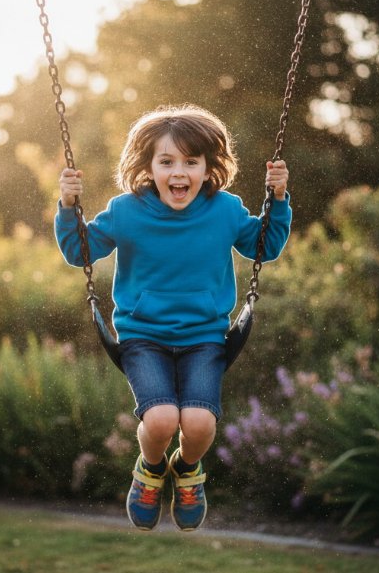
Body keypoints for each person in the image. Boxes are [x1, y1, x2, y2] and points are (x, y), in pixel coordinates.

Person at [54, 104, 291, 531]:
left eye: (190, 161)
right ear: (148, 166)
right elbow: (80, 251)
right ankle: (149, 470)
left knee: (198, 423)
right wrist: (69, 205)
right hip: (143, 336)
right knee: (161, 418)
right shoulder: (127, 211)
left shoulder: (225, 210)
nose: (178, 172)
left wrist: (277, 199)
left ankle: (187, 471)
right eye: (166, 161)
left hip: (204, 337)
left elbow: (264, 246)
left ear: (207, 167)